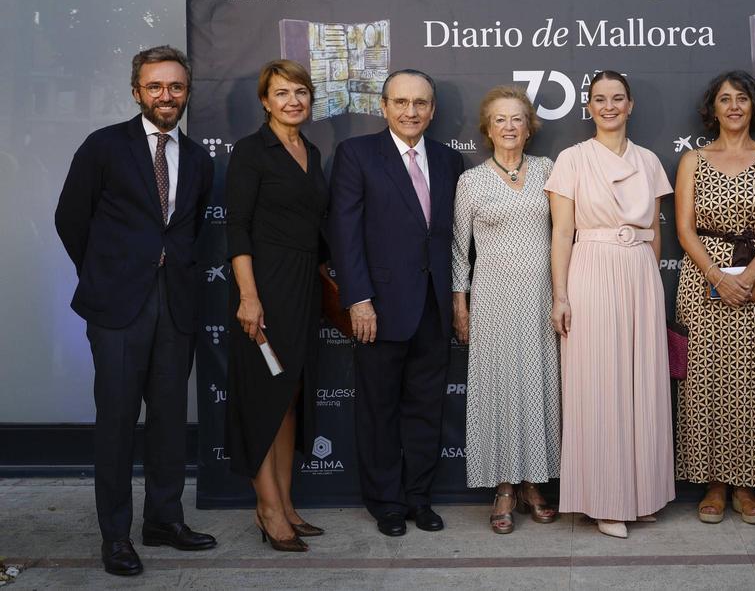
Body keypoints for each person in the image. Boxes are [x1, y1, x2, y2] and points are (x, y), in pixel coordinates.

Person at [54, 45, 216, 576]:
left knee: (169, 420)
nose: (165, 96)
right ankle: (117, 535)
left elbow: (187, 229)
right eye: (155, 87)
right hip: (117, 308)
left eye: (175, 87)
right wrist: (107, 275)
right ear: (136, 91)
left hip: (177, 305)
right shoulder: (104, 147)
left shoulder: (196, 158)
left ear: (186, 93)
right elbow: (70, 219)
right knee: (118, 421)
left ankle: (164, 520)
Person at [328, 69, 465, 537]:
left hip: (433, 306)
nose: (411, 112)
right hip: (379, 307)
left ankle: (419, 498)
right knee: (379, 409)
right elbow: (344, 234)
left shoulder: (449, 161)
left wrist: (455, 301)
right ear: (383, 106)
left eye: (421, 103)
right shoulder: (356, 154)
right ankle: (386, 503)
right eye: (401, 102)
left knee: (427, 409)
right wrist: (359, 300)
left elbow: (450, 238)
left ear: (432, 110)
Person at [545, 70, 676, 539]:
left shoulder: (649, 160)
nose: (609, 106)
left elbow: (656, 234)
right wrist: (560, 296)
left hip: (639, 271)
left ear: (630, 104)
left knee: (642, 382)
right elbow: (561, 233)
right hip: (592, 268)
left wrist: (649, 278)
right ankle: (603, 499)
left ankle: (640, 492)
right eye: (599, 99)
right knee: (598, 383)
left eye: (617, 98)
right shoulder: (572, 159)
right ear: (589, 106)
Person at [674, 71, 755, 525]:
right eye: (724, 99)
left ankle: (747, 484)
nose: (733, 106)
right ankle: (713, 483)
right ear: (712, 108)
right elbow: (684, 228)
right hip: (702, 280)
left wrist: (747, 276)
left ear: (754, 107)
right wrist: (716, 274)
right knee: (705, 383)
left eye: (741, 99)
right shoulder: (693, 160)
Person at [224, 59, 329, 552]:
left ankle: (285, 503)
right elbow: (237, 227)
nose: (294, 101)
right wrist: (248, 296)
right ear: (265, 101)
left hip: (303, 286)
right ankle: (266, 509)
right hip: (264, 287)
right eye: (283, 93)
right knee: (264, 397)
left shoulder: (310, 150)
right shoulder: (251, 152)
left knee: (288, 397)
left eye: (301, 92)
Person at [451, 86, 560, 534]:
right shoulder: (471, 180)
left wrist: (563, 293)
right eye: (500, 119)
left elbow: (563, 235)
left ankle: (535, 481)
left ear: (529, 126)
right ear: (487, 129)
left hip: (540, 298)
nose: (509, 127)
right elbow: (459, 250)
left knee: (537, 385)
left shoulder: (548, 170)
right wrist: (461, 305)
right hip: (493, 299)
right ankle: (503, 487)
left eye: (517, 119)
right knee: (498, 390)